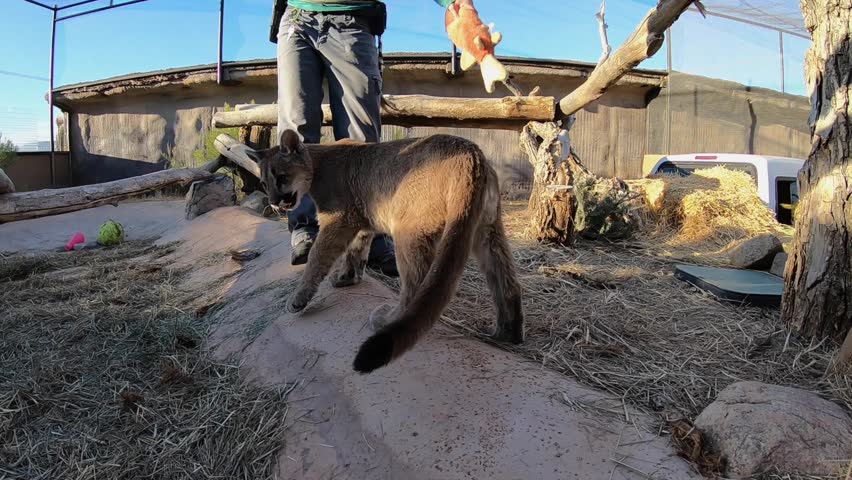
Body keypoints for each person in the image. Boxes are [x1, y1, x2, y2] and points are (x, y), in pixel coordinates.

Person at [269, 0, 499, 276]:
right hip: (297, 19)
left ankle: (371, 237)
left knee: (361, 138)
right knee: (295, 126)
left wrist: (458, 6)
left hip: (352, 22)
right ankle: (304, 227)